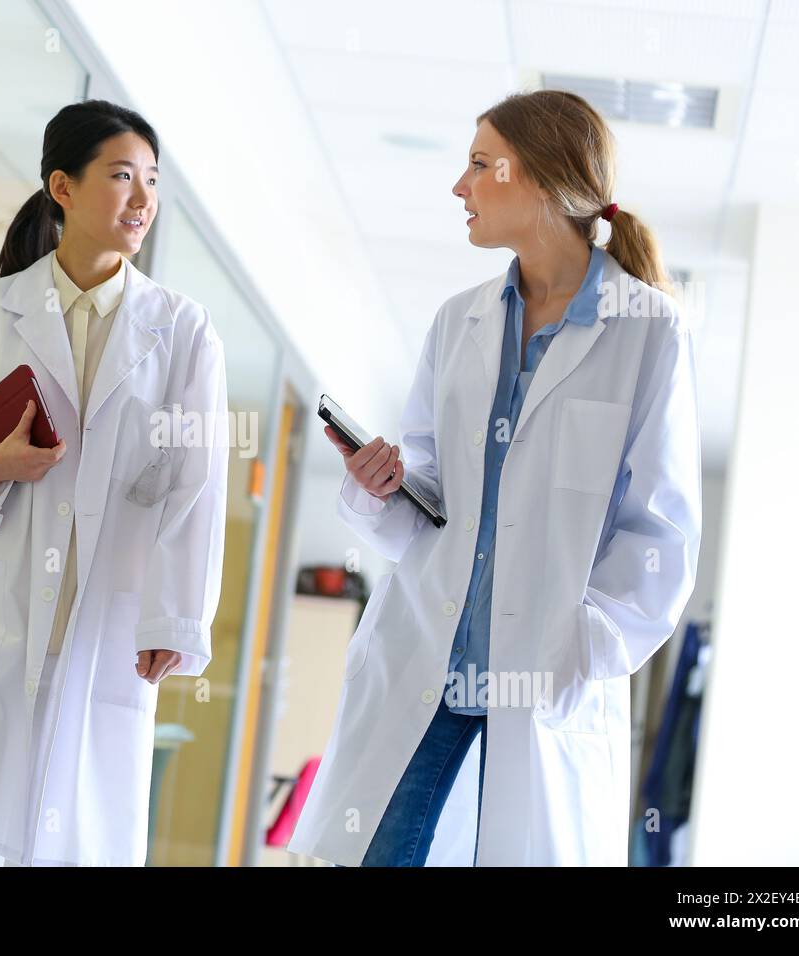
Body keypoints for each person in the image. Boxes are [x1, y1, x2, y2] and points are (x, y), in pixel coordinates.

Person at [287, 89, 702, 866]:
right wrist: (384, 485)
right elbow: (434, 495)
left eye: (481, 165)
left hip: (545, 673)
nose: (459, 186)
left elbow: (661, 531)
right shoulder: (459, 321)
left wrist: (588, 647)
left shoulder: (648, 329)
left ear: (542, 180)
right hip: (428, 655)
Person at [0, 99, 229, 866]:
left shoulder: (182, 332)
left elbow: (196, 485)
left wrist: (174, 620)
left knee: (76, 843)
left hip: (104, 634)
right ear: (63, 188)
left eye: (151, 180)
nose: (143, 199)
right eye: (120, 176)